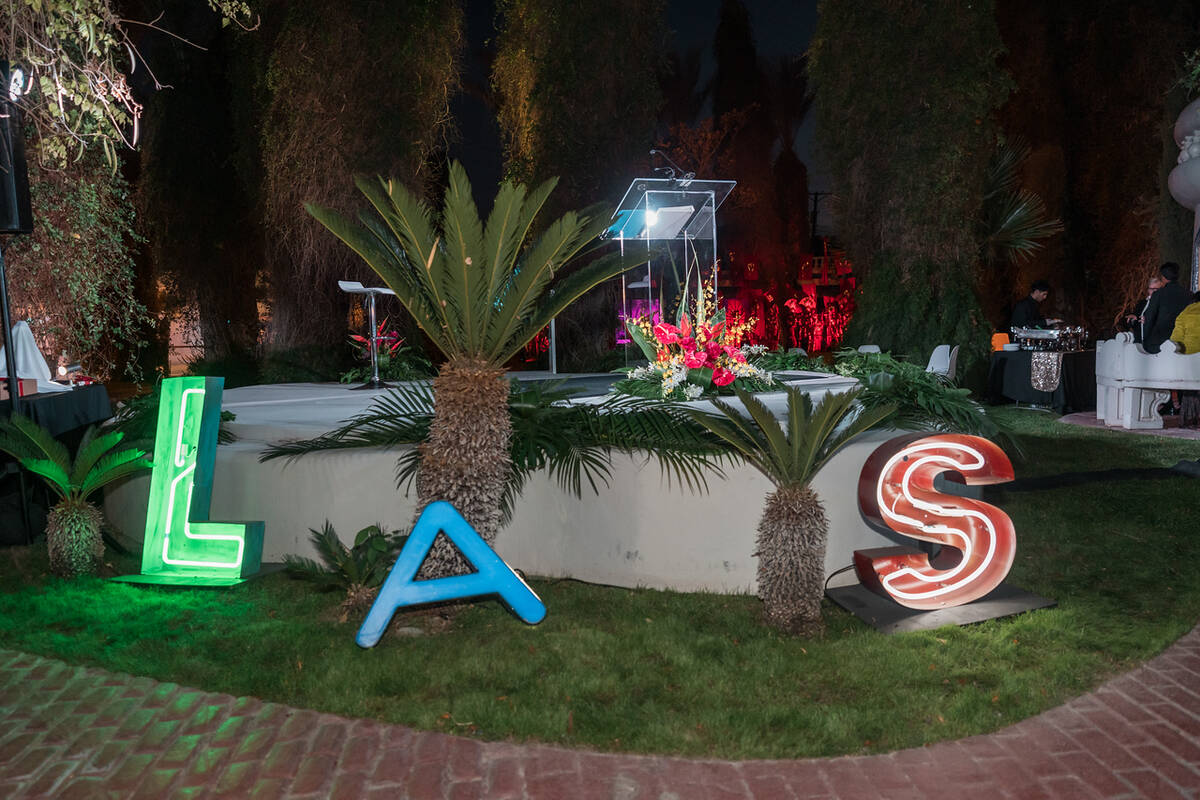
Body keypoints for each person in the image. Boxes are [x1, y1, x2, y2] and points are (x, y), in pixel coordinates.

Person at [1142, 262, 1191, 354]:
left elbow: (1150, 317)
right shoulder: (1189, 295)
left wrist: (1146, 339)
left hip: (1158, 343)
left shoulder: (1159, 294)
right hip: (1182, 342)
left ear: (1163, 277)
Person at [1170, 291, 1200, 428]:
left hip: (1188, 359)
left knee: (1190, 389)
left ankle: (1189, 419)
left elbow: (1175, 339)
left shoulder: (1183, 314)